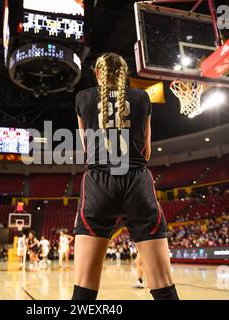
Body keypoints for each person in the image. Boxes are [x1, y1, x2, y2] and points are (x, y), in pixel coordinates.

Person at [72, 53, 178, 300]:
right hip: (137, 183)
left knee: (84, 287)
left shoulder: (83, 98)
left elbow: (87, 151)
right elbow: (147, 152)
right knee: (163, 284)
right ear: (125, 74)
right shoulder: (142, 98)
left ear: (98, 74)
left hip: (98, 184)